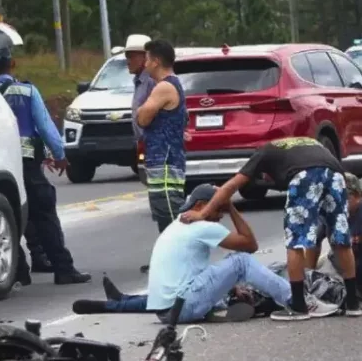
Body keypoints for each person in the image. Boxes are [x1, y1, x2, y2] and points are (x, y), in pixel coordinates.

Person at [80, 184, 339, 323]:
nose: (220, 217)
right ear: (203, 206)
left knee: (230, 268)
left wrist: (228, 286)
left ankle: (222, 304)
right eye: (220, 210)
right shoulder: (200, 225)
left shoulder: (179, 224)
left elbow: (193, 272)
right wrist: (234, 209)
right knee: (240, 261)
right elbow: (250, 246)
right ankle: (300, 302)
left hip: (166, 311)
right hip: (180, 309)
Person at [180, 137, 361, 320]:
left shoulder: (263, 153)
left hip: (306, 176)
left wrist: (202, 214)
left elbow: (231, 186)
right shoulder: (302, 143)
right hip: (337, 175)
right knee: (341, 240)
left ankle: (299, 306)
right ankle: (353, 303)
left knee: (295, 241)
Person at [0, 47, 91, 286]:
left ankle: (19, 270)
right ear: (12, 65)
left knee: (8, 216)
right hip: (28, 165)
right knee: (44, 213)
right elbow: (46, 127)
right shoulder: (26, 91)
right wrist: (60, 155)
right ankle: (63, 269)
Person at [135, 39, 189, 256]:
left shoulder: (164, 87)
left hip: (165, 161)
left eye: (147, 59)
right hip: (165, 159)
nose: (144, 63)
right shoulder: (173, 84)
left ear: (156, 61)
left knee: (168, 213)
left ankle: (175, 260)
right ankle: (169, 259)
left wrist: (140, 111)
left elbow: (143, 118)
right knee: (164, 213)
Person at [123, 34, 157, 273]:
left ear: (145, 57)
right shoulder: (139, 81)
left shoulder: (152, 82)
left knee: (165, 206)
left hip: (157, 147)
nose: (127, 60)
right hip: (147, 146)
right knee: (158, 206)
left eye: (131, 55)